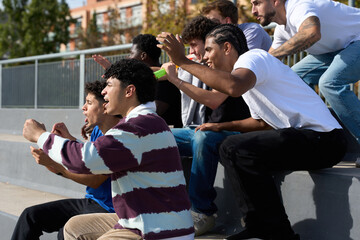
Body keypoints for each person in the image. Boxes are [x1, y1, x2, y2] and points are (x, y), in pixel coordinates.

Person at [157, 24, 347, 239]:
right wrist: (221, 126)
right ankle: (259, 226)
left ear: (227, 47)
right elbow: (261, 123)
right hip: (305, 141)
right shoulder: (246, 76)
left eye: (209, 50)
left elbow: (233, 87)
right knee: (230, 148)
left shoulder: (253, 58)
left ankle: (277, 232)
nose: (206, 58)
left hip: (325, 140)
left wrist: (182, 61)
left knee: (235, 149)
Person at [22, 59, 194, 240]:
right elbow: (97, 152)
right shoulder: (146, 122)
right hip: (142, 219)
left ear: (129, 91)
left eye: (109, 85)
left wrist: (40, 136)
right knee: (74, 227)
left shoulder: (136, 128)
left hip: (158, 230)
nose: (103, 91)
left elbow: (85, 160)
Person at [161, 16, 251, 236]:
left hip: (231, 131)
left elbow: (213, 100)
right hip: (205, 129)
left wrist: (176, 78)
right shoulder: (205, 65)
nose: (197, 52)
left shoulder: (233, 68)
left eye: (196, 46)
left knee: (203, 138)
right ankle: (160, 204)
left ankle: (202, 212)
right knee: (157, 136)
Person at [11, 80, 119, 240]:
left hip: (108, 210)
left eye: (89, 102)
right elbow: (88, 156)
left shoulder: (117, 137)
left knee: (66, 232)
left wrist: (56, 166)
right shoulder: (98, 129)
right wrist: (68, 139)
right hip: (91, 201)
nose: (83, 107)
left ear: (105, 107)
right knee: (30, 216)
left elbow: (95, 180)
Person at [250, 0, 360, 145]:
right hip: (335, 50)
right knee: (293, 79)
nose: (253, 11)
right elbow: (267, 62)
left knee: (329, 83)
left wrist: (274, 56)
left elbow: (312, 32)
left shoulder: (299, 6)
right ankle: (315, 136)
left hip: (356, 41)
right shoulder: (281, 31)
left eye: (257, 3)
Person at [93, 34, 182, 128]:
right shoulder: (141, 80)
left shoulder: (166, 79)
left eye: (131, 53)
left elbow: (152, 113)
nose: (128, 57)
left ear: (143, 55)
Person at [201, 0, 272, 51]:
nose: (209, 26)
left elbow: (245, 65)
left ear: (227, 21)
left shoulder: (252, 31)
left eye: (213, 22)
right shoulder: (219, 39)